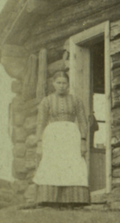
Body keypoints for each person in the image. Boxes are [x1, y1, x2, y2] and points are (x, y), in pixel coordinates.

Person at [33, 71, 92, 206]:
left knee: (72, 164)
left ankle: (74, 200)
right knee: (52, 164)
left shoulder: (76, 100)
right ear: (53, 84)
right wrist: (40, 143)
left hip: (71, 136)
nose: (61, 86)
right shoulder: (47, 101)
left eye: (64, 83)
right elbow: (41, 122)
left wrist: (83, 140)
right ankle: (49, 199)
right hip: (53, 136)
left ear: (68, 85)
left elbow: (83, 121)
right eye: (58, 83)